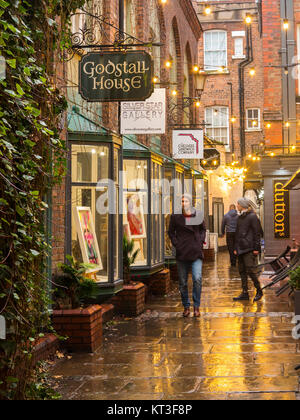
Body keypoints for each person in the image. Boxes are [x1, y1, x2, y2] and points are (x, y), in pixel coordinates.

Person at [168, 194, 206, 317]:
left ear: (191, 202)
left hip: (195, 251)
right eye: (182, 201)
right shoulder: (175, 216)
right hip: (182, 252)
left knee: (197, 278)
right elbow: (171, 232)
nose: (184, 203)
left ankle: (196, 306)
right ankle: (186, 306)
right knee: (183, 282)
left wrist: (200, 241)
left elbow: (202, 229)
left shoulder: (198, 214)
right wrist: (176, 243)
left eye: (186, 201)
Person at [233, 198, 263, 303]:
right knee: (241, 271)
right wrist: (236, 248)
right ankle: (245, 293)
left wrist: (256, 248)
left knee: (250, 270)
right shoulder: (240, 216)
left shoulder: (252, 217)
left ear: (242, 205)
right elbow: (237, 234)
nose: (237, 205)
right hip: (240, 248)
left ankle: (259, 290)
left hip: (249, 248)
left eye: (238, 204)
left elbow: (257, 233)